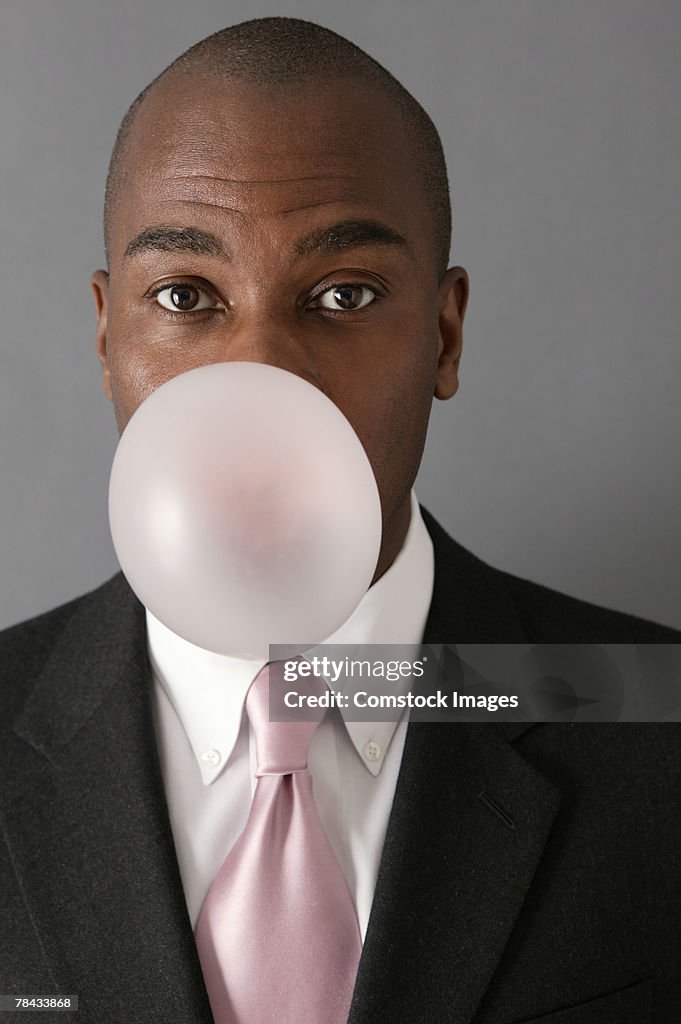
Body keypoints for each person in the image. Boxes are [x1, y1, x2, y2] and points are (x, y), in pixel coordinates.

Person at [1, 16, 679, 1024]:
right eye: (186, 294)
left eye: (343, 293)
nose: (262, 376)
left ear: (444, 336)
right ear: (108, 338)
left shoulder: (657, 724)